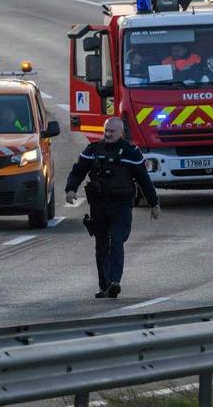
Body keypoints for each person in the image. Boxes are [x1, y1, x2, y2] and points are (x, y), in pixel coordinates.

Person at [65, 117, 159, 299]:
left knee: (116, 240)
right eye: (106, 130)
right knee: (101, 246)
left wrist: (154, 203)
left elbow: (143, 179)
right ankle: (105, 285)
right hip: (99, 206)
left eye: (112, 131)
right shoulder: (93, 150)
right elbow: (78, 170)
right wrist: (70, 189)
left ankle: (114, 281)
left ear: (121, 133)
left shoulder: (131, 152)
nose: (108, 134)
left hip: (121, 205)